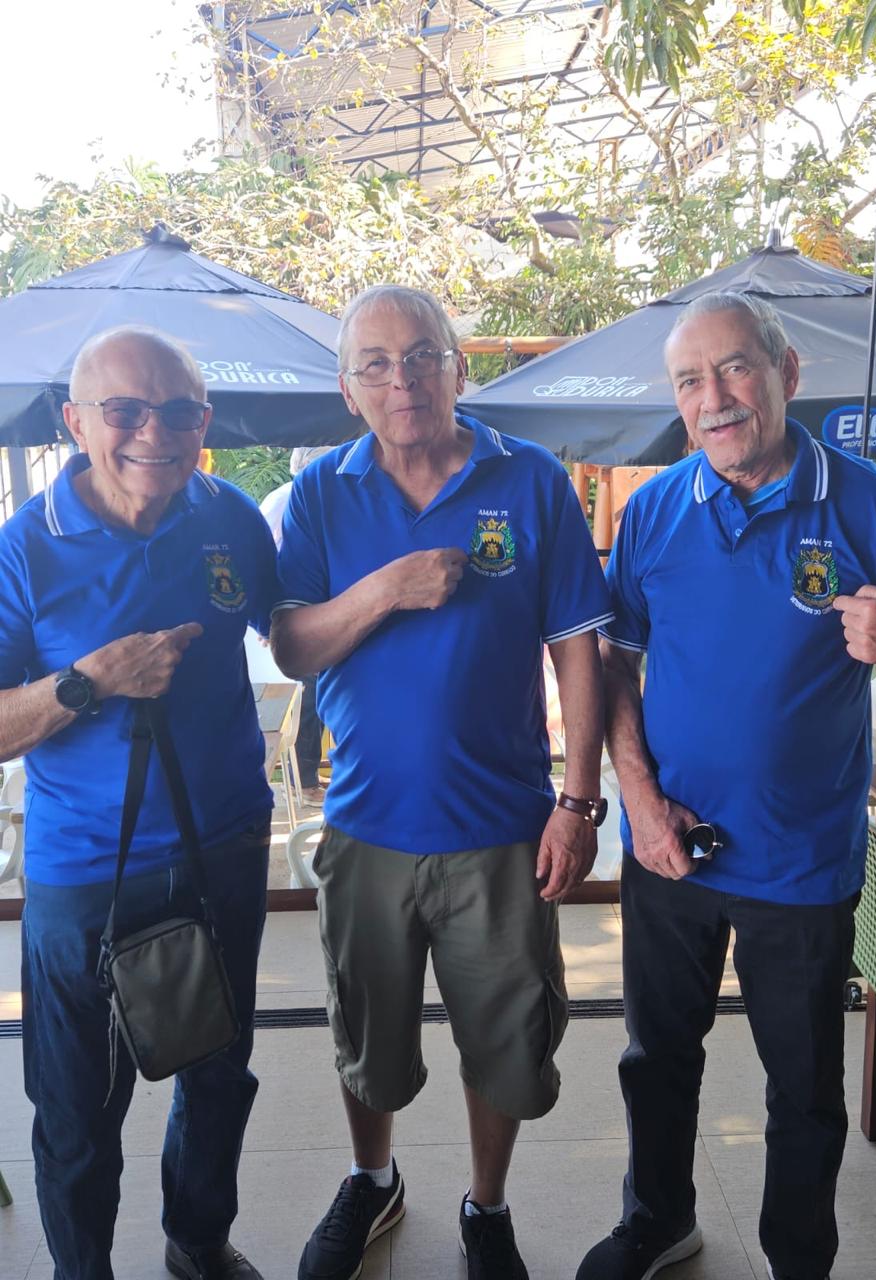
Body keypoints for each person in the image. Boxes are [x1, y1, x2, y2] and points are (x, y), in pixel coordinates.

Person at [577, 292, 876, 1280]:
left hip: (799, 858)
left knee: (803, 1088)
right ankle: (658, 1219)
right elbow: (615, 664)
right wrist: (639, 802)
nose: (714, 398)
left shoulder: (870, 505)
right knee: (656, 1057)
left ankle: (798, 1261)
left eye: (736, 367)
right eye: (690, 380)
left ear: (787, 373)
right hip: (670, 841)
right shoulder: (655, 507)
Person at [271, 284, 613, 1280]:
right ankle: (372, 1178)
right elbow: (293, 646)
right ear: (348, 389)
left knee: (507, 1040)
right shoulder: (321, 494)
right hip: (366, 825)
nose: (403, 379)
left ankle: (486, 1206)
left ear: (459, 369)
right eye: (375, 364)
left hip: (503, 828)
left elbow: (578, 647)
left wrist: (579, 800)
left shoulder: (532, 479)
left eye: (422, 355)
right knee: (366, 1031)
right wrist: (387, 589)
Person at [0, 326, 281, 1280]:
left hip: (226, 846)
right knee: (78, 1108)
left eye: (178, 411)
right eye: (123, 409)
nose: (153, 432)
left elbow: (296, 634)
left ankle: (197, 1242)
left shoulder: (231, 516)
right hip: (82, 873)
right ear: (75, 422)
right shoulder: (25, 547)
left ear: (205, 422)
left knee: (218, 1073)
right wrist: (87, 682)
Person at [260, 445, 333, 806]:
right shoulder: (286, 499)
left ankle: (309, 776)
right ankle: (302, 782)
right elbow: (264, 562)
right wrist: (269, 621)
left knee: (319, 696)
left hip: (320, 615)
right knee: (307, 699)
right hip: (289, 619)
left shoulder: (325, 498)